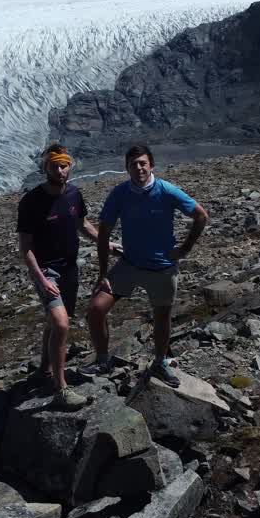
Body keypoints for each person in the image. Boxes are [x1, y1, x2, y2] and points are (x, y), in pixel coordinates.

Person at [83, 145, 209, 387]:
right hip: (129, 263)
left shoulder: (166, 191)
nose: (138, 167)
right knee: (96, 308)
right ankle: (102, 360)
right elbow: (104, 234)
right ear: (127, 168)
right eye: (133, 164)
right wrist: (102, 274)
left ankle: (160, 362)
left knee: (162, 316)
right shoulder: (119, 194)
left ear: (151, 165)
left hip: (162, 266)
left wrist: (185, 249)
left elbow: (201, 216)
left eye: (142, 163)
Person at [17, 144, 100, 409]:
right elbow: (25, 247)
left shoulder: (74, 195)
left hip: (69, 269)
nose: (60, 170)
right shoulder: (31, 202)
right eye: (55, 165)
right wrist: (41, 279)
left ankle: (43, 369)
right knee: (62, 324)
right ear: (46, 167)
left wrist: (105, 242)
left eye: (64, 165)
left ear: (70, 166)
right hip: (47, 271)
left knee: (55, 324)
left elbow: (82, 224)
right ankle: (60, 388)